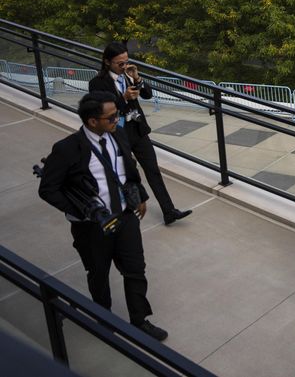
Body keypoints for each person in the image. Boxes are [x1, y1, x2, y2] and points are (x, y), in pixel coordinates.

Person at [38, 92, 168, 341]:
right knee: (99, 274)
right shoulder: (66, 149)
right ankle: (104, 321)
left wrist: (139, 194)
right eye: (111, 117)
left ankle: (140, 320)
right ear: (91, 121)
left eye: (117, 114)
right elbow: (48, 189)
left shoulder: (118, 135)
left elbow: (128, 171)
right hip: (92, 228)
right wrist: (81, 211)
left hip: (125, 217)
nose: (117, 120)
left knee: (135, 270)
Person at [89, 42, 191, 225]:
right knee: (128, 173)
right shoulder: (97, 83)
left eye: (126, 62)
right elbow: (101, 110)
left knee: (153, 170)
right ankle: (130, 213)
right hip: (117, 133)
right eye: (119, 63)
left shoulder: (128, 75)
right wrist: (123, 98)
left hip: (137, 129)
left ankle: (169, 211)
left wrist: (137, 77)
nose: (124, 66)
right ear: (107, 62)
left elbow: (147, 95)